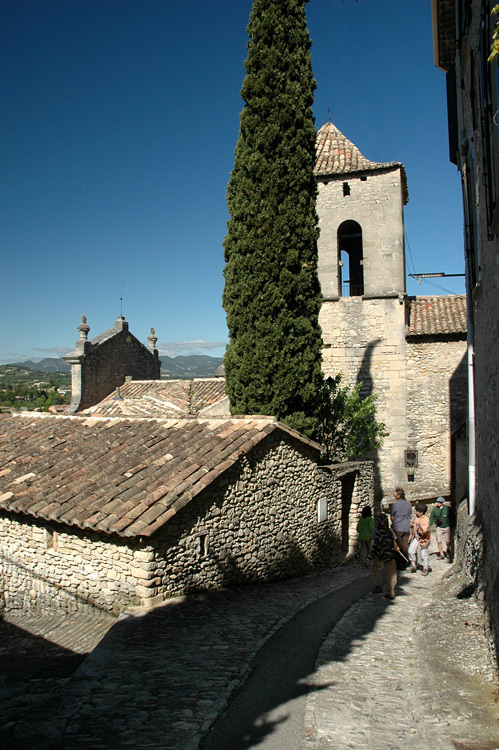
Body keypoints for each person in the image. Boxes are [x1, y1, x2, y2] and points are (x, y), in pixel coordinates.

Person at [369, 513, 399, 600]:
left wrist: (371, 553)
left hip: (378, 553)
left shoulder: (376, 532)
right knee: (391, 572)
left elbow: (372, 543)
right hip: (389, 554)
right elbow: (394, 543)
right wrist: (396, 550)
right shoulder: (390, 531)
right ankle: (391, 592)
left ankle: (378, 586)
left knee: (375, 568)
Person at [408, 502, 431, 576]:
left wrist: (418, 529)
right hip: (416, 537)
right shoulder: (416, 517)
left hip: (423, 539)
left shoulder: (426, 519)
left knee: (423, 554)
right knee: (411, 550)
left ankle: (425, 567)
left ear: (421, 512)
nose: (416, 513)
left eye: (417, 511)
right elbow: (412, 525)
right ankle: (413, 564)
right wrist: (412, 534)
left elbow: (423, 531)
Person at [390, 487, 412, 561]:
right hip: (406, 527)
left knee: (398, 546)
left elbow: (392, 518)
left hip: (398, 528)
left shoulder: (394, 505)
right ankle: (406, 561)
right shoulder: (409, 504)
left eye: (395, 494)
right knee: (405, 545)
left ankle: (400, 563)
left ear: (398, 496)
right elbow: (409, 515)